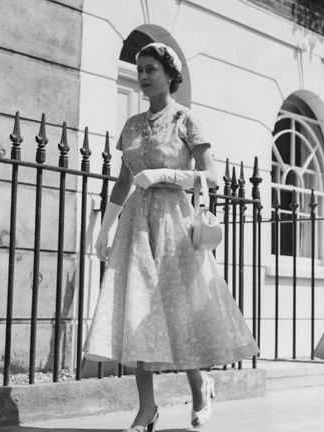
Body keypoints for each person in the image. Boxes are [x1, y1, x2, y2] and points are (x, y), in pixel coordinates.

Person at [83, 42, 258, 432]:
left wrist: (164, 175)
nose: (143, 77)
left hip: (175, 224)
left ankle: (200, 386)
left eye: (150, 70)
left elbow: (212, 176)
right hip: (137, 225)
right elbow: (124, 181)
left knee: (179, 311)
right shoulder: (131, 125)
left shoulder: (185, 120)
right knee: (136, 311)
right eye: (140, 70)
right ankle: (147, 409)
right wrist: (105, 227)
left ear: (169, 75)